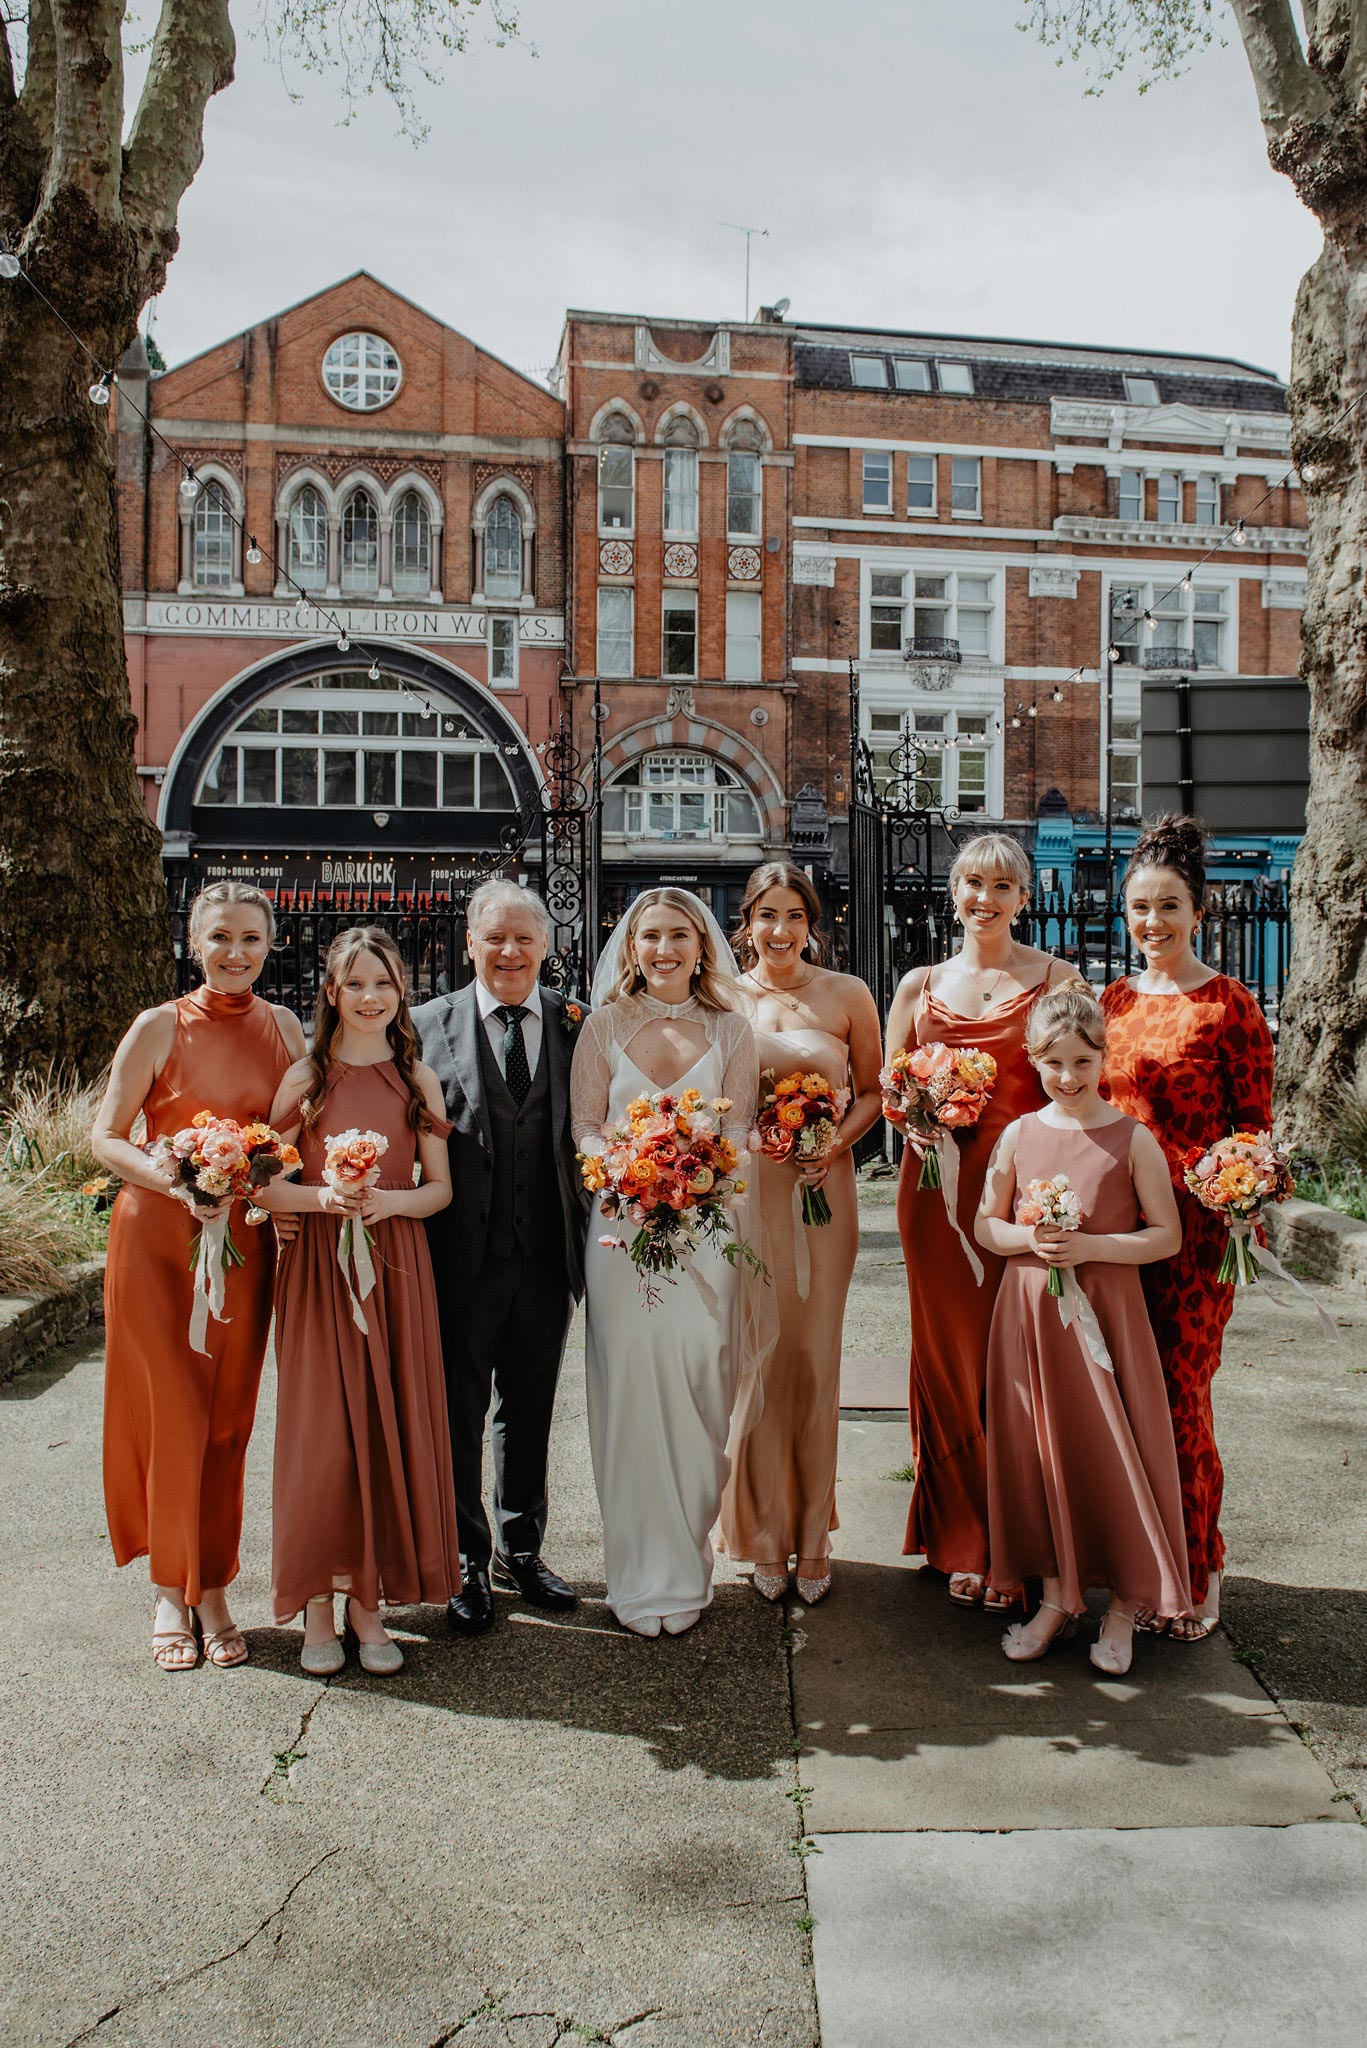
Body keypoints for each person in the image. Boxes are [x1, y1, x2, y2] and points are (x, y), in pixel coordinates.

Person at [93, 881, 305, 1671]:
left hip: (243, 1250)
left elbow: (295, 1134)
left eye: (250, 937)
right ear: (193, 942)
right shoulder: (157, 1026)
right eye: (220, 937)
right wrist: (177, 1179)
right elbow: (105, 1139)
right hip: (158, 1244)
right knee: (172, 1414)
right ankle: (174, 1587)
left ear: (269, 943)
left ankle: (211, 1581)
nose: (235, 952)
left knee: (227, 1420)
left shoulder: (284, 1026)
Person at [882, 833, 1082, 1611]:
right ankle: (959, 1536)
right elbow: (890, 1087)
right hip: (932, 1198)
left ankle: (1022, 1538)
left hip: (1020, 1196)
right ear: (952, 892)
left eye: (1002, 886)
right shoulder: (917, 984)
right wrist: (914, 1117)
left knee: (1022, 1359)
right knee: (949, 1358)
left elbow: (1077, 1081)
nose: (984, 898)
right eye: (971, 882)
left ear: (1024, 898)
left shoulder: (1059, 980)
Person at [257, 927, 458, 1675]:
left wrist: (389, 1206)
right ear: (331, 994)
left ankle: (368, 1605)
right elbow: (264, 1183)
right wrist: (326, 1195)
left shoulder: (418, 1081)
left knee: (383, 1428)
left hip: (396, 1266)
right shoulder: (303, 1079)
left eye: (385, 983)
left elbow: (440, 1190)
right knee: (321, 1438)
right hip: (316, 1269)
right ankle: (315, 1604)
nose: (370, 998)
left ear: (400, 992)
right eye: (355, 984)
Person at [976, 985, 1190, 1675]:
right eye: (1053, 1063)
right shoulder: (1017, 1134)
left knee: (1111, 1447)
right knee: (1043, 1452)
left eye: (1080, 1061)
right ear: (1032, 1061)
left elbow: (1164, 1237)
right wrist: (1029, 1241)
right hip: (1031, 1312)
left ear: (1103, 1056)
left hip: (1105, 1313)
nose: (1067, 1078)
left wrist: (1093, 1247)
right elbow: (987, 1224)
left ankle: (1125, 1604)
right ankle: (1054, 1597)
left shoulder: (1133, 1139)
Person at [570, 888, 765, 1638]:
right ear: (631, 947)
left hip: (706, 1235)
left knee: (698, 1388)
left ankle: (686, 1565)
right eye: (650, 936)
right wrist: (625, 1170)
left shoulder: (732, 1031)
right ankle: (635, 1573)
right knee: (628, 1391)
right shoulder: (602, 1027)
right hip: (621, 1232)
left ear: (701, 946)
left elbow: (741, 1131)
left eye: (678, 936)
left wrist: (702, 1171)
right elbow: (586, 1128)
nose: (663, 949)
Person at [1101, 815, 1275, 1641]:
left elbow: (1254, 1129)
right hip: (1117, 1233)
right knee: (1124, 1402)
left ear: (1197, 912)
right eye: (1139, 908)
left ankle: (1198, 1570)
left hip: (1197, 1241)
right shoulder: (1112, 1000)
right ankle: (1137, 1570)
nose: (1152, 923)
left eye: (1168, 907)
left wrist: (1241, 1192)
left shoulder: (1229, 1004)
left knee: (1180, 1401)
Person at [412, 883, 586, 1635]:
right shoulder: (422, 1026)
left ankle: (523, 1548)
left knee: (530, 1409)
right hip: (457, 1256)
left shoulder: (578, 1024)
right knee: (457, 1413)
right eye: (495, 938)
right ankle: (463, 1561)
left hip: (547, 1252)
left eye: (524, 938)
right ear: (470, 943)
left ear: (545, 945)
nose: (509, 952)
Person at [720, 861, 883, 1605]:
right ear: (746, 923)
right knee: (757, 1357)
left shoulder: (846, 994)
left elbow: (876, 1092)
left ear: (811, 922)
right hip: (753, 1193)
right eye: (766, 916)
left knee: (815, 1361)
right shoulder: (724, 998)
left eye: (793, 916)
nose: (780, 931)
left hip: (825, 1191)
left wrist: (832, 1146)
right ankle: (761, 1533)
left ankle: (813, 1538)